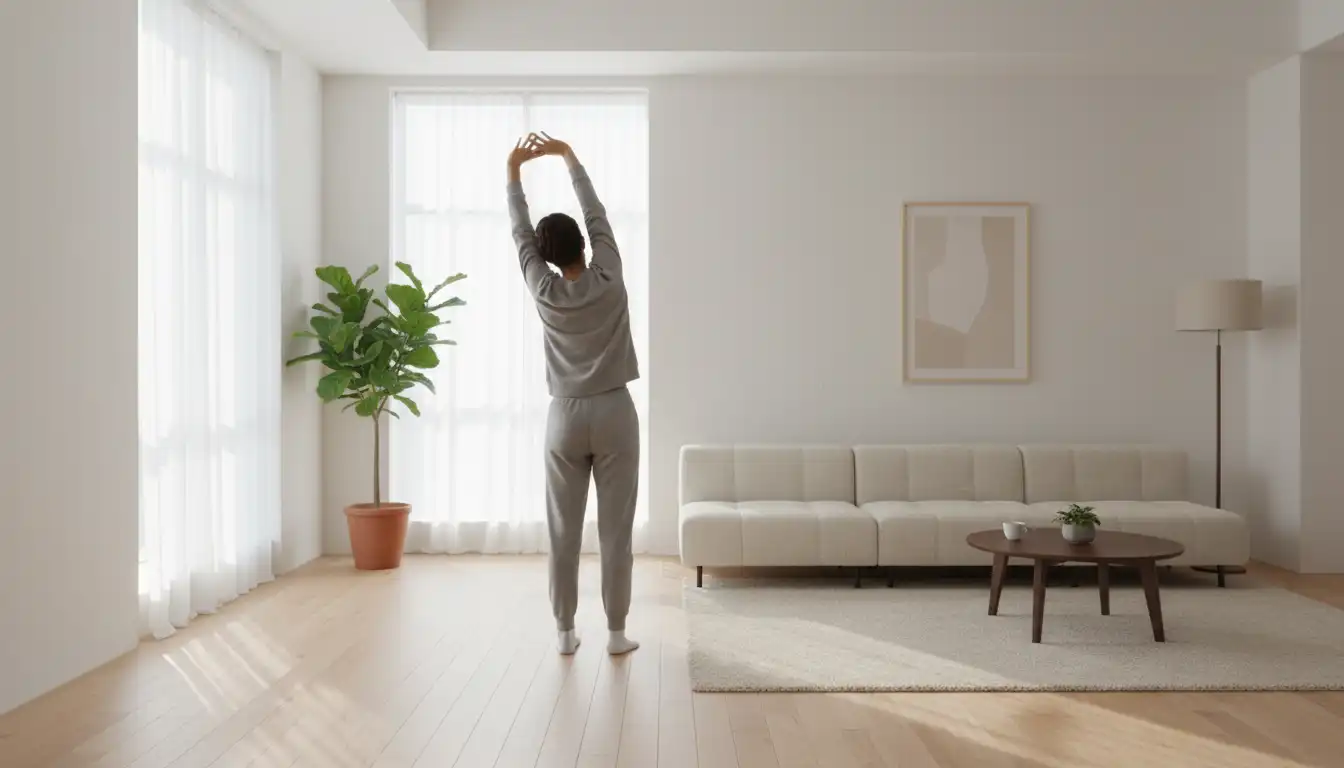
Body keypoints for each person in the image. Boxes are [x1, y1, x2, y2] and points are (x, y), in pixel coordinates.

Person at [507, 132, 641, 656]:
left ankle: (564, 633)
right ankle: (615, 634)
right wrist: (567, 157)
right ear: (584, 244)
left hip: (563, 416)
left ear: (543, 255)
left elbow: (519, 232)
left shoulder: (542, 287)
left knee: (563, 530)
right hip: (613, 409)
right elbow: (597, 212)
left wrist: (514, 171)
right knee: (616, 530)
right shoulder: (609, 273)